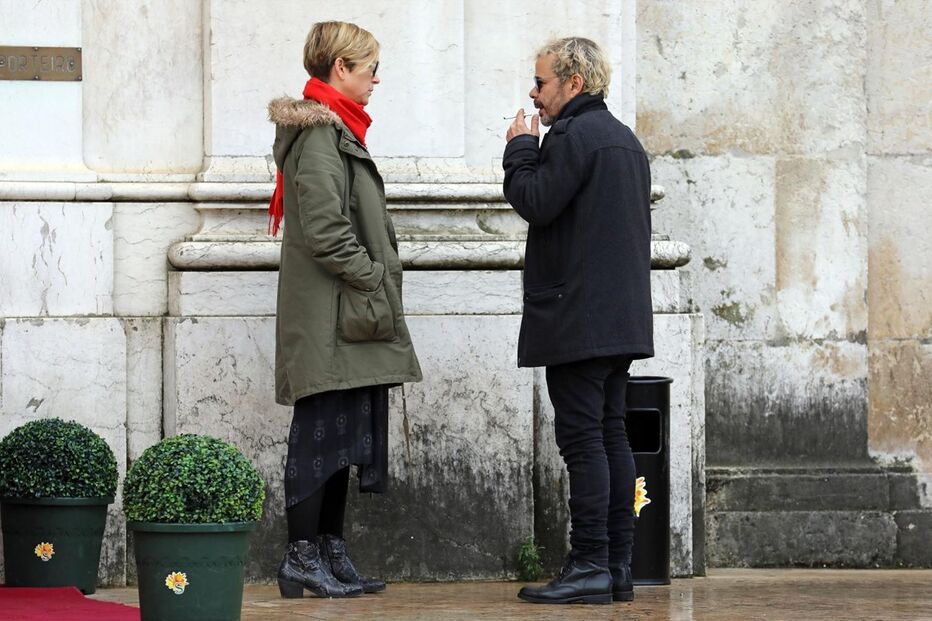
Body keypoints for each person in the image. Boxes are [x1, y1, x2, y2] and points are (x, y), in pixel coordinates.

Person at [267, 21, 422, 599]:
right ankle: (302, 558)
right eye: (370, 69)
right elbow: (326, 231)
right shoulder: (319, 136)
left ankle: (330, 552)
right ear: (341, 68)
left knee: (344, 439)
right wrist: (374, 278)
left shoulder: (338, 130)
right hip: (332, 316)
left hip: (345, 315)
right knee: (319, 438)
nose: (376, 80)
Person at [502, 36, 654, 605]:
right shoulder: (625, 140)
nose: (533, 94)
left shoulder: (572, 136)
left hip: (578, 319)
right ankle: (616, 566)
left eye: (541, 83)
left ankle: (589, 562)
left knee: (584, 442)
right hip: (618, 320)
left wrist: (520, 150)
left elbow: (536, 200)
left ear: (574, 83)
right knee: (611, 436)